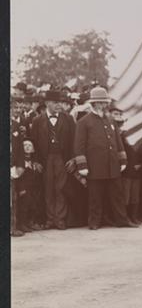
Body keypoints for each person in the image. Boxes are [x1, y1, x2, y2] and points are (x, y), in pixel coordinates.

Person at [74, 87, 136, 230]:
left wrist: (122, 159)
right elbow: (79, 146)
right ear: (94, 103)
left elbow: (118, 141)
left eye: (104, 102)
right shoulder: (84, 122)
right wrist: (82, 165)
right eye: (100, 102)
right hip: (95, 166)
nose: (103, 105)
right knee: (95, 196)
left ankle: (122, 220)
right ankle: (94, 222)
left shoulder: (110, 120)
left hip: (112, 165)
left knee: (117, 195)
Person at [30, 89, 76, 231]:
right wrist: (36, 161)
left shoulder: (68, 119)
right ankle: (50, 219)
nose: (59, 105)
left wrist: (73, 159)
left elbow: (74, 140)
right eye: (55, 102)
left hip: (62, 158)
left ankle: (60, 219)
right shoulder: (37, 121)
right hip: (46, 159)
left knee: (61, 188)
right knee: (48, 188)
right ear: (47, 103)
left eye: (60, 102)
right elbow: (33, 142)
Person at [112, 107, 142, 226]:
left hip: (136, 168)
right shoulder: (119, 137)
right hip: (126, 169)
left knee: (135, 195)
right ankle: (126, 218)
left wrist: (139, 163)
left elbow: (138, 151)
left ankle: (134, 216)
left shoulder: (133, 135)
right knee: (126, 195)